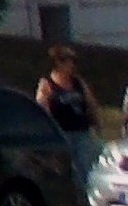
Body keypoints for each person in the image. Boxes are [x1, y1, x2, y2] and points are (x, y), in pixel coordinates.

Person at [36, 44, 101, 193]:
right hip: (63, 132)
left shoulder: (78, 82)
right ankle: (74, 197)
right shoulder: (47, 83)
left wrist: (97, 124)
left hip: (82, 131)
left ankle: (88, 197)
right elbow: (42, 107)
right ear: (59, 63)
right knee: (68, 168)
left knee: (87, 165)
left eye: (73, 61)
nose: (72, 65)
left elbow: (91, 104)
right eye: (69, 61)